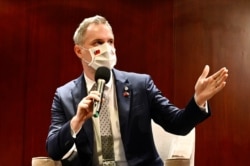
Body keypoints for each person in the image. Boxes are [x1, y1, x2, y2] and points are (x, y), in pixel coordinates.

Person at [46, 15, 228, 166]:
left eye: (111, 41)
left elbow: (178, 124)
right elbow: (54, 150)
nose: (107, 48)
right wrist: (76, 121)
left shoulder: (141, 85)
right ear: (79, 51)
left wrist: (198, 100)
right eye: (98, 43)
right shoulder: (64, 95)